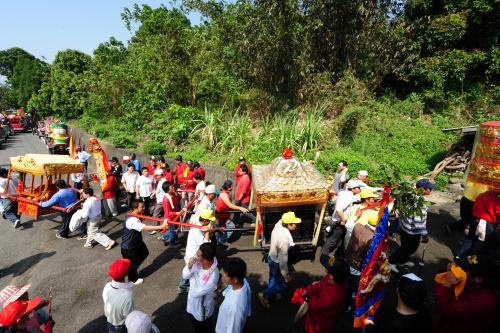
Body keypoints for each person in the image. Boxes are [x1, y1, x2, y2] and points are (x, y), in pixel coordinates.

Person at [433, 255, 498, 333]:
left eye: (465, 269)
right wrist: (449, 272)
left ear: (478, 279)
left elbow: (445, 309)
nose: (460, 269)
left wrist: (447, 285)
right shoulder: (473, 284)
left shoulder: (483, 303)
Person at [389, 179, 434, 273]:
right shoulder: (420, 203)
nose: (430, 190)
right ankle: (391, 261)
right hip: (412, 230)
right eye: (429, 188)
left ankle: (402, 261)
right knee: (409, 248)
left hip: (404, 227)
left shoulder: (408, 196)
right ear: (422, 189)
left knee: (405, 246)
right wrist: (424, 234)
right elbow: (419, 221)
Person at [258, 211, 301, 308]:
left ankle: (270, 293)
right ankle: (265, 294)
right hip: (277, 262)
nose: (296, 225)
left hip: (271, 257)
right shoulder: (284, 240)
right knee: (282, 283)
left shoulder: (279, 223)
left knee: (273, 279)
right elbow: (283, 261)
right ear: (288, 224)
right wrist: (286, 275)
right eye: (294, 223)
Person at [121, 201, 169, 285]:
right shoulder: (132, 220)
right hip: (129, 247)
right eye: (142, 207)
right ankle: (133, 279)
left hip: (137, 242)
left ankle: (131, 269)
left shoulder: (135, 214)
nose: (144, 208)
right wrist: (161, 226)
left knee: (144, 252)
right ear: (135, 208)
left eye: (144, 206)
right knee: (131, 264)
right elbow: (145, 227)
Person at [300, 258, 350, 333]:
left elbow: (314, 304)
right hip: (317, 315)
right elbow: (319, 285)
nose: (326, 272)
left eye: (328, 271)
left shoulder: (333, 296)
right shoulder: (332, 279)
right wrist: (308, 290)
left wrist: (307, 298)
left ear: (332, 276)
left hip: (321, 321)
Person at [321, 180, 363, 261]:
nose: (360, 189)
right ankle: (323, 256)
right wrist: (344, 220)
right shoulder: (348, 197)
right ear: (353, 188)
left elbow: (333, 200)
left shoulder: (344, 193)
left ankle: (332, 254)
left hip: (337, 219)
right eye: (359, 188)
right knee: (333, 240)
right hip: (339, 221)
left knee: (338, 238)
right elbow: (339, 209)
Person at [183, 243, 219, 333]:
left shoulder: (213, 275)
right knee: (195, 327)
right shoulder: (197, 263)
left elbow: (196, 293)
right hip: (191, 304)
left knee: (203, 329)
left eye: (198, 255)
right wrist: (189, 266)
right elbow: (185, 276)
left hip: (202, 311)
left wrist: (192, 277)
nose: (195, 257)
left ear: (205, 260)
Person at [456, 190, 499, 259]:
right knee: (488, 243)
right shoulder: (496, 199)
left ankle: (459, 257)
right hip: (485, 223)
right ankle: (473, 260)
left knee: (470, 238)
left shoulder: (482, 194)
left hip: (475, 219)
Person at [216, 257, 251, 333]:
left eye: (226, 275)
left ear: (235, 279)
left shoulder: (234, 308)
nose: (223, 276)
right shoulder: (243, 283)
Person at [103, 258, 135, 333]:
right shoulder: (127, 296)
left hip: (110, 322)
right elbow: (129, 317)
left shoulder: (107, 286)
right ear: (126, 274)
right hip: (121, 327)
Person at [215, 180, 249, 246]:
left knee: (220, 227)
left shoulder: (224, 193)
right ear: (228, 188)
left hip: (221, 214)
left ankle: (219, 239)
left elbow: (229, 205)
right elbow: (230, 205)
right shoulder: (224, 195)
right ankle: (222, 240)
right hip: (221, 215)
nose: (232, 188)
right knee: (231, 226)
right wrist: (241, 208)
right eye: (231, 186)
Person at [160, 182, 183, 248]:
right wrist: (176, 213)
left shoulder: (173, 194)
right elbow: (167, 213)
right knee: (172, 231)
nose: (173, 187)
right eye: (171, 187)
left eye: (173, 186)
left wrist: (177, 194)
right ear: (167, 190)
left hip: (176, 215)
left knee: (175, 229)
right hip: (170, 218)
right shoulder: (166, 199)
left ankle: (168, 238)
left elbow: (178, 199)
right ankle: (171, 244)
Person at [149, 169, 166, 234]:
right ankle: (160, 227)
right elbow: (158, 190)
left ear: (160, 175)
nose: (155, 177)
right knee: (162, 214)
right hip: (160, 200)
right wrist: (154, 194)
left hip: (161, 201)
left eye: (156, 176)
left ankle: (156, 228)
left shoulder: (163, 182)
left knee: (156, 214)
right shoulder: (161, 181)